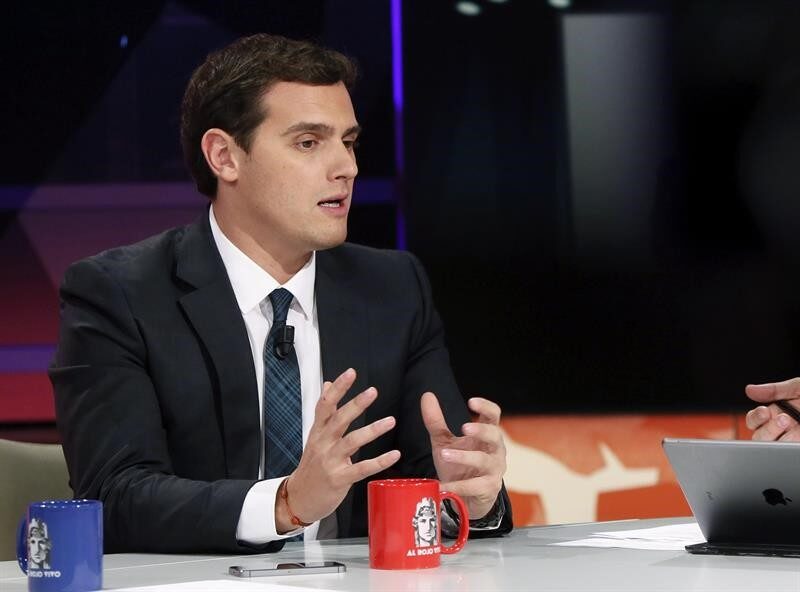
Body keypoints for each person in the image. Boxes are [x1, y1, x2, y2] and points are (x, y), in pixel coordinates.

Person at [50, 33, 512, 554]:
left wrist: (471, 498)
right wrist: (286, 503)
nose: (347, 167)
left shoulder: (393, 288)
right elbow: (114, 497)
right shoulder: (119, 295)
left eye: (349, 142)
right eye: (308, 142)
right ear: (224, 156)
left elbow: (438, 477)